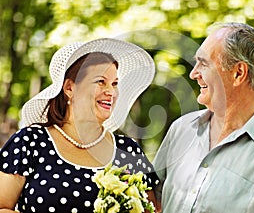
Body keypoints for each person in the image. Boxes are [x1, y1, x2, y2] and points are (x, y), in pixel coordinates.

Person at [153, 22, 254, 213]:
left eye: (203, 63)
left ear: (238, 73)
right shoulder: (180, 129)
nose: (193, 73)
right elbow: (151, 201)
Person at [0, 38, 160, 212]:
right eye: (101, 81)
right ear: (69, 88)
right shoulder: (30, 142)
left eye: (114, 84)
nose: (111, 92)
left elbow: (152, 209)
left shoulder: (129, 151)